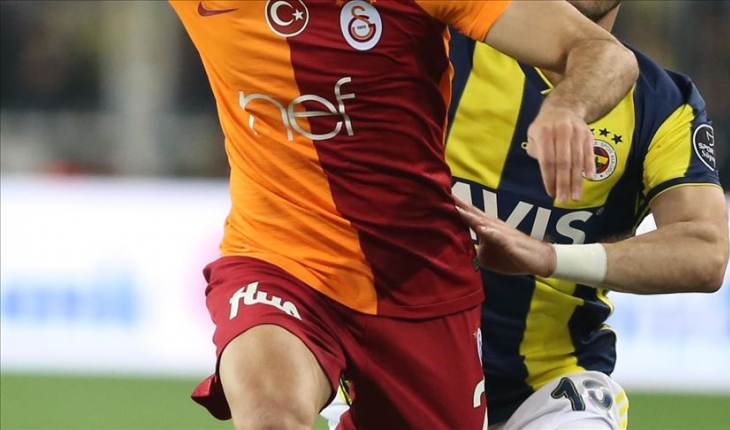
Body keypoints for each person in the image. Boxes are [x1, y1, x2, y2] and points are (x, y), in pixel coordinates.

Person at [169, 1, 638, 429]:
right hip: (281, 261)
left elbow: (605, 53)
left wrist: (566, 107)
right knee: (271, 415)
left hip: (419, 282)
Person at [449, 1, 729, 429]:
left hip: (549, 389)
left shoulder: (663, 104)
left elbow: (705, 251)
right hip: (402, 359)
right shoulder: (449, 46)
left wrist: (550, 257)